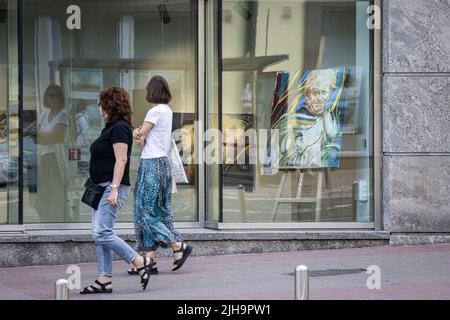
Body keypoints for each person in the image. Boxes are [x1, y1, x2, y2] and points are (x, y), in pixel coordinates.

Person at [80, 87, 152, 294]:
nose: (98, 106)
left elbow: (122, 160)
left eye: (100, 102)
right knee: (99, 234)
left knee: (102, 232)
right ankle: (104, 279)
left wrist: (113, 189)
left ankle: (139, 260)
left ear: (108, 105)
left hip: (110, 188)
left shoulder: (119, 128)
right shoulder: (111, 127)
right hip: (101, 187)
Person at [127, 75, 193, 275]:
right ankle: (149, 260)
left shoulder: (155, 111)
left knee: (144, 212)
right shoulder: (167, 110)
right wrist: (140, 134)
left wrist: (136, 131)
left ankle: (177, 245)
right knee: (159, 211)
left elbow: (140, 134)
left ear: (151, 91)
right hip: (163, 164)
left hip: (151, 164)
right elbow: (144, 137)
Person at [35, 85, 68, 222]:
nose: (52, 98)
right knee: (44, 193)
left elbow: (56, 137)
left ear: (61, 98)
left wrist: (43, 136)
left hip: (56, 159)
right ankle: (46, 219)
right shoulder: (44, 115)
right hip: (44, 158)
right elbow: (35, 137)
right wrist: (45, 136)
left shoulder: (63, 114)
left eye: (55, 95)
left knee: (55, 193)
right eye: (50, 95)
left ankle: (56, 220)